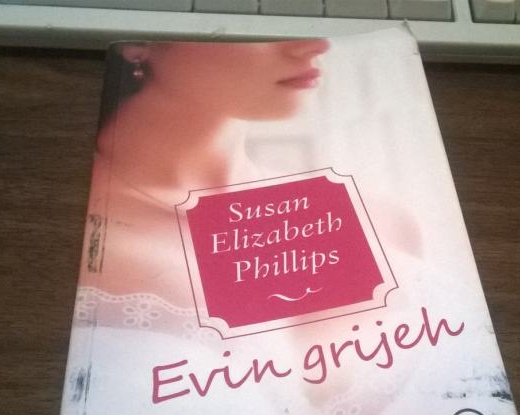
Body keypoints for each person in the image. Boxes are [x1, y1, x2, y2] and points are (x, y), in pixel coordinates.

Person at [78, 39, 332, 324]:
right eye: (252, 20)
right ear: (139, 43)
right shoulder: (82, 219)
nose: (318, 44)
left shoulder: (340, 213)